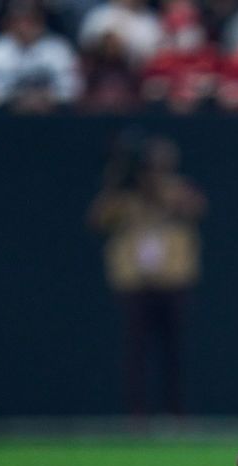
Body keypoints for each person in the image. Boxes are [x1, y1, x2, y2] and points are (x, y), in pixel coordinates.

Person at [89, 134, 206, 418]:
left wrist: (159, 188)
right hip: (135, 281)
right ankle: (136, 413)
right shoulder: (123, 196)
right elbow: (98, 219)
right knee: (136, 350)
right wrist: (118, 180)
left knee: (174, 350)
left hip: (172, 278)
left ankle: (175, 411)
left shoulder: (176, 189)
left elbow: (196, 207)